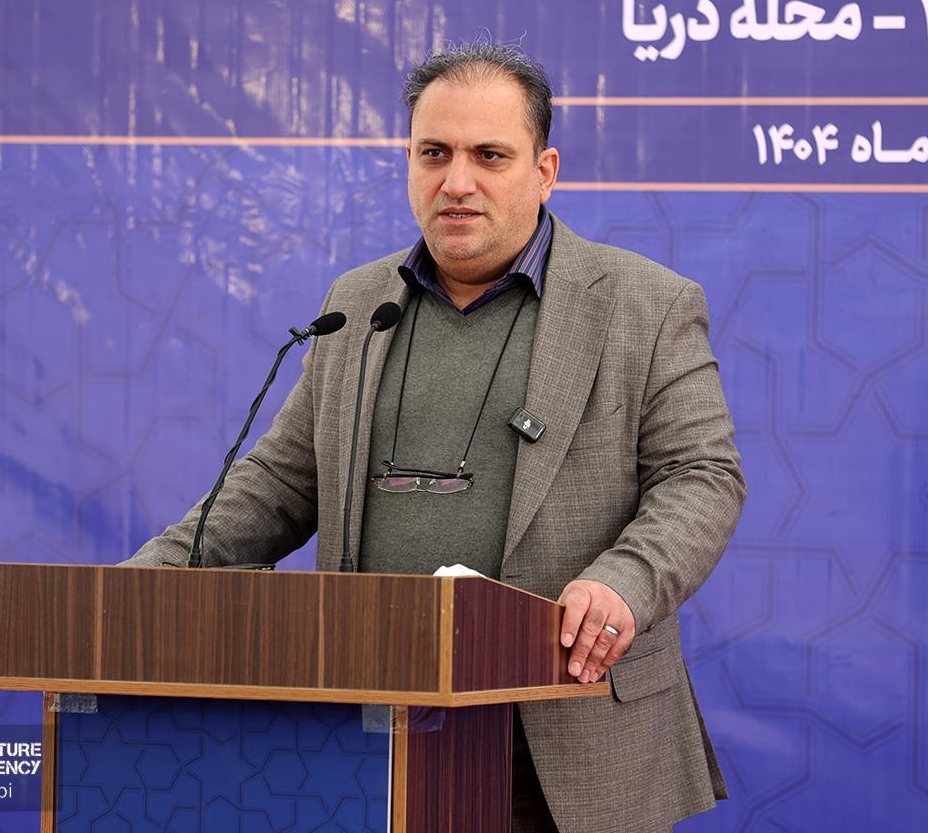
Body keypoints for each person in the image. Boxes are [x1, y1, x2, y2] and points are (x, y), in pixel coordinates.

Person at [124, 42, 745, 832]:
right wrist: (137, 587)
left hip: (565, 738)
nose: (457, 181)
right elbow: (281, 482)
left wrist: (625, 581)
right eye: (434, 153)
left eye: (490, 155)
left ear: (544, 171)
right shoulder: (357, 303)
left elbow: (703, 475)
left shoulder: (645, 304)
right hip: (367, 736)